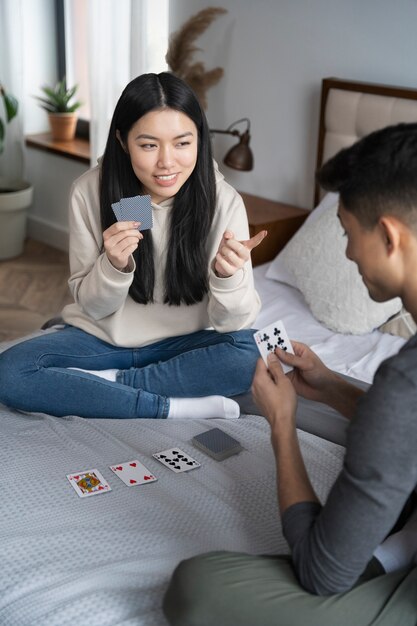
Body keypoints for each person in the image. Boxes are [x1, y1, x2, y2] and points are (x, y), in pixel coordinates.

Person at [163, 122, 417, 626]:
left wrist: (281, 424)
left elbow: (322, 572)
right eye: (146, 143)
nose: (346, 253)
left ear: (388, 235)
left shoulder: (219, 200)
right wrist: (331, 384)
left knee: (198, 588)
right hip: (144, 333)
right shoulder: (106, 193)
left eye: (348, 234)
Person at [0, 72, 266, 420]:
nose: (167, 162)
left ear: (200, 140)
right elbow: (94, 308)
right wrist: (114, 266)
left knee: (257, 351)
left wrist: (226, 277)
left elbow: (234, 325)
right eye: (149, 145)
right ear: (123, 141)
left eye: (182, 143)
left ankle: (110, 385)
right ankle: (163, 405)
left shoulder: (222, 201)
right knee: (10, 371)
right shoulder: (91, 191)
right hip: (101, 342)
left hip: (179, 346)